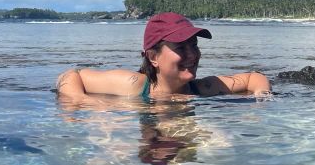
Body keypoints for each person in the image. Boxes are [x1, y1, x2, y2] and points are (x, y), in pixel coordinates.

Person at [56, 11, 271, 99]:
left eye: (194, 45)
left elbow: (254, 77)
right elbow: (71, 74)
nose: (192, 54)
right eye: (180, 47)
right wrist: (81, 102)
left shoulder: (203, 88)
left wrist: (262, 95)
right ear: (153, 57)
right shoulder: (134, 85)